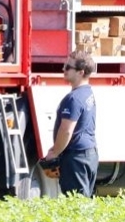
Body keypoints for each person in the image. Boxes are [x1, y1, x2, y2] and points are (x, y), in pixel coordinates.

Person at [42, 51, 98, 196]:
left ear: (81, 72)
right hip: (89, 155)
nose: (64, 69)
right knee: (84, 204)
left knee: (76, 207)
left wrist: (55, 152)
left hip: (76, 158)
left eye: (68, 67)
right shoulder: (87, 93)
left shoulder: (74, 98)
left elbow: (66, 130)